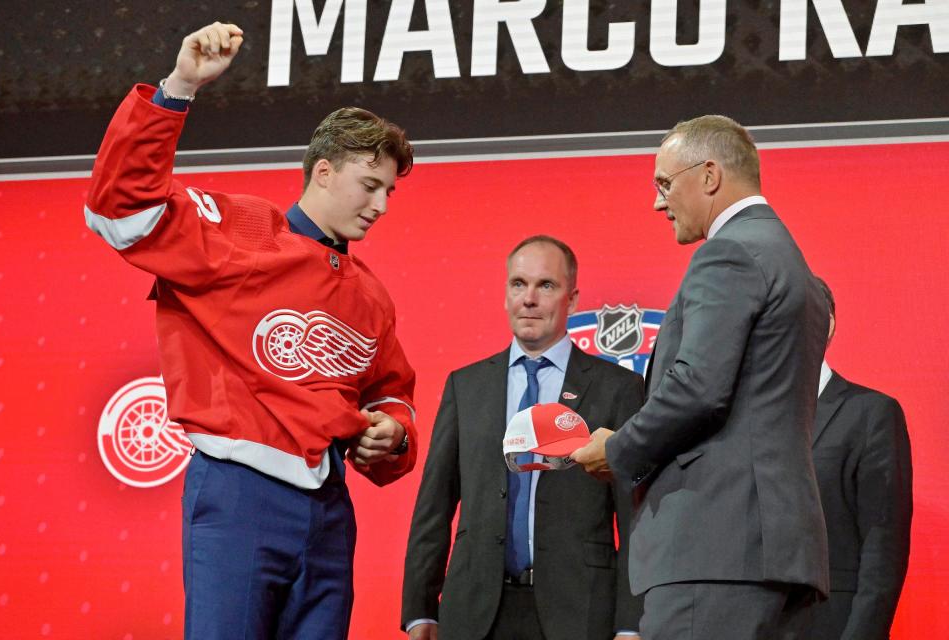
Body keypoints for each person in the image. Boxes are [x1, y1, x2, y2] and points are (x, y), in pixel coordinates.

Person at [84, 22, 418, 639]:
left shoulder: (371, 294)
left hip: (329, 507)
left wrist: (394, 432)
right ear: (322, 171)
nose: (381, 206)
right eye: (370, 185)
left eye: (390, 191)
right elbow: (119, 211)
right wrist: (179, 88)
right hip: (239, 494)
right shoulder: (237, 228)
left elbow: (389, 390)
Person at [571, 115, 831, 640]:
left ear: (709, 176)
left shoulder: (730, 251)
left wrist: (618, 450)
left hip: (716, 549)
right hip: (773, 551)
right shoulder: (791, 261)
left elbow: (698, 389)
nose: (657, 203)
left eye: (664, 183)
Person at [402, 236, 644, 640]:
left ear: (574, 298)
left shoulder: (618, 388)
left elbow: (635, 518)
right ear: (505, 294)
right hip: (474, 613)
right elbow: (434, 505)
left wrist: (630, 622)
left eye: (546, 285)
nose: (529, 298)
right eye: (518, 284)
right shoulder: (467, 386)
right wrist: (419, 609)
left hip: (580, 612)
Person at [807, 278, 912, 640]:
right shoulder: (746, 419)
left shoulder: (870, 414)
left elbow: (883, 549)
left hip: (831, 624)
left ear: (827, 323)